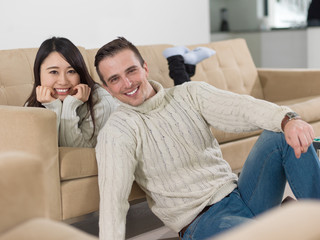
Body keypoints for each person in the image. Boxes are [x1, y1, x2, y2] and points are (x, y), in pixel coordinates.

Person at [94, 37, 320, 240]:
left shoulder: (188, 94)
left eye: (131, 71)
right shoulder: (117, 132)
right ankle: (283, 222)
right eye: (115, 79)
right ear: (108, 88)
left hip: (241, 194)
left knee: (280, 133)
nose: (127, 83)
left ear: (145, 68)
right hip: (202, 222)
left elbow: (240, 108)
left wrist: (289, 119)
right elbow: (113, 201)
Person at [25, 37, 117, 147]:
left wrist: (69, 105)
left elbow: (76, 154)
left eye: (71, 71)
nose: (63, 81)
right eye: (54, 72)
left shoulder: (102, 102)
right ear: (39, 73)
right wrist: (54, 107)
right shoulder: (35, 102)